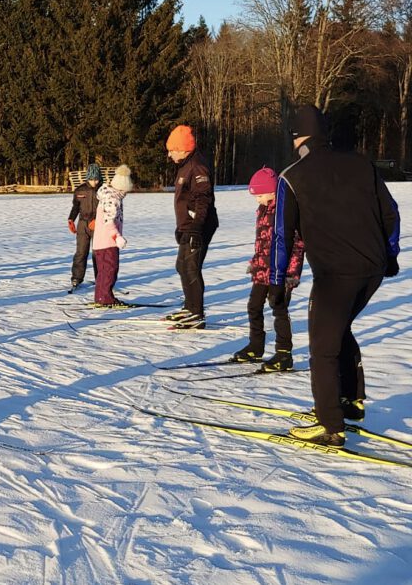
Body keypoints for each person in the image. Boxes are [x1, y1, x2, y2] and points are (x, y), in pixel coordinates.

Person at [274, 105, 399, 446]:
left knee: (323, 347)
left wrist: (275, 280)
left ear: (299, 137)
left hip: (334, 276)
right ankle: (351, 401)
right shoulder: (361, 163)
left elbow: (282, 236)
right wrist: (390, 255)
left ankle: (330, 424)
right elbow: (391, 213)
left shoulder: (291, 176)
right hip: (371, 270)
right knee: (340, 328)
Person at [231, 167, 305, 371]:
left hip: (280, 273)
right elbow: (262, 242)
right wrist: (256, 262)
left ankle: (284, 353)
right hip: (262, 270)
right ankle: (256, 345)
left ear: (273, 192)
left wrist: (291, 274)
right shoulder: (263, 210)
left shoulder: (286, 211)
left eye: (260, 195)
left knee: (278, 308)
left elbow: (298, 246)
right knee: (253, 306)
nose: (257, 200)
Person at [165, 125, 219, 328]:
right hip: (189, 225)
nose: (169, 154)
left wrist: (196, 227)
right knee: (182, 266)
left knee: (191, 267)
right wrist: (182, 227)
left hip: (200, 225)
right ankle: (189, 308)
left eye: (172, 150)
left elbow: (203, 198)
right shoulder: (185, 165)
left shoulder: (197, 166)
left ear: (183, 149)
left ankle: (196, 314)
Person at [92, 165, 133, 306]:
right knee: (109, 270)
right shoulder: (113, 198)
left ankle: (100, 297)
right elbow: (109, 221)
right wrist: (117, 237)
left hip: (101, 242)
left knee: (104, 271)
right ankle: (105, 298)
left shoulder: (108, 195)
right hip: (107, 242)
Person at [67, 164, 102, 292]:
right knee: (81, 252)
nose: (94, 182)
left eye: (97, 179)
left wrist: (98, 220)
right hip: (83, 224)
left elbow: (108, 209)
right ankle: (76, 278)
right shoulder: (80, 190)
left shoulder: (103, 190)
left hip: (98, 225)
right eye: (92, 179)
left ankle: (101, 279)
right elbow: (75, 207)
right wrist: (71, 219)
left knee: (97, 253)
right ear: (88, 178)